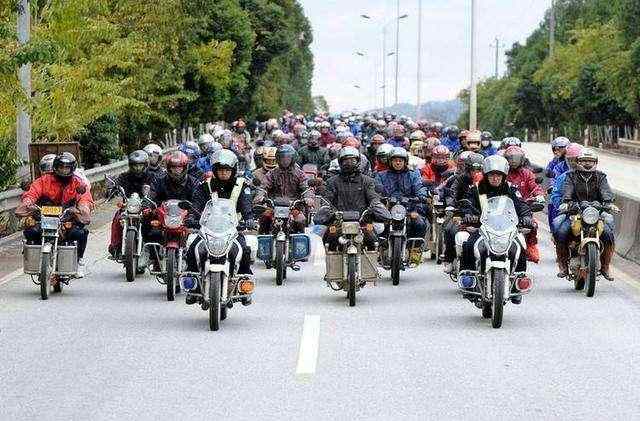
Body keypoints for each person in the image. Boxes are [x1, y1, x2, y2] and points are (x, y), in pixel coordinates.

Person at [184, 150, 255, 305]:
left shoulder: (241, 186)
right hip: (208, 230)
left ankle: (244, 285)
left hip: (233, 231)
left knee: (244, 249)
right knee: (192, 248)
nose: (223, 173)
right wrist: (191, 218)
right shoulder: (205, 186)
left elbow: (246, 206)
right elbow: (196, 205)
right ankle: (193, 287)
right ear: (215, 171)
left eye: (227, 170)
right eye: (220, 170)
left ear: (233, 170)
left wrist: (249, 219)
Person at [459, 156, 533, 303]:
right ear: (486, 175)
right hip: (483, 229)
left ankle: (517, 284)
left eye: (498, 175)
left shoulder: (511, 189)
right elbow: (467, 204)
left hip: (507, 229)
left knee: (520, 247)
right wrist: (468, 215)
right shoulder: (476, 190)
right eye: (492, 175)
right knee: (468, 246)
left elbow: (521, 205)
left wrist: (526, 217)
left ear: (503, 176)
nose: (495, 178)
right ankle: (468, 280)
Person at [16, 152, 93, 277]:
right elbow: (31, 193)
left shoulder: (77, 183)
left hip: (66, 218)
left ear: (72, 168)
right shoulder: (43, 180)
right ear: (56, 167)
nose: (64, 170)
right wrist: (28, 203)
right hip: (44, 218)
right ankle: (32, 258)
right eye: (61, 167)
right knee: (30, 231)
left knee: (80, 233)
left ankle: (79, 261)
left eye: (67, 167)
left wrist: (82, 209)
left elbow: (85, 198)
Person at [554, 148, 617, 280]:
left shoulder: (601, 176)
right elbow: (567, 192)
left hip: (596, 213)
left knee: (608, 234)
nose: (587, 164)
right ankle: (563, 265)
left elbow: (606, 192)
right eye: (584, 161)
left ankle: (605, 266)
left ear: (596, 162)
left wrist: (608, 203)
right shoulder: (571, 176)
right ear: (578, 162)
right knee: (560, 231)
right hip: (574, 212)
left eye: (590, 161)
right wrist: (566, 202)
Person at [317, 147, 388, 250]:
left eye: (352, 160)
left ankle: (372, 262)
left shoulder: (367, 181)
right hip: (338, 221)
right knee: (330, 238)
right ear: (340, 162)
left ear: (358, 161)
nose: (349, 163)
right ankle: (330, 262)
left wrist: (376, 205)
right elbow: (327, 200)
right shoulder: (332, 182)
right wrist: (328, 210)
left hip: (362, 220)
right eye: (345, 160)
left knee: (372, 238)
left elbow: (373, 197)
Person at [375, 147, 429, 238]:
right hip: (387, 209)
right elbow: (377, 190)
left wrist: (421, 196)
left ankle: (415, 248)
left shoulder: (413, 174)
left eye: (400, 160)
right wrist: (380, 199)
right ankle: (379, 247)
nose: (398, 163)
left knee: (419, 223)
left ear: (405, 162)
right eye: (395, 160)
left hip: (410, 208)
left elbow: (419, 187)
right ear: (390, 162)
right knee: (378, 226)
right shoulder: (381, 175)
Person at [256, 145, 311, 233]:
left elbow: (306, 188)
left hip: (293, 207)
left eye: (288, 158)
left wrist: (308, 197)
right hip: (274, 206)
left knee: (300, 220)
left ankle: (300, 244)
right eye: (282, 158)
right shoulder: (272, 173)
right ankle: (263, 242)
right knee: (264, 218)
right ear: (278, 158)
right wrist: (260, 195)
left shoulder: (299, 174)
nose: (285, 160)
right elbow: (263, 186)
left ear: (293, 158)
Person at [504, 146, 545, 263]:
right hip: (502, 207)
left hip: (523, 208)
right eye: (510, 159)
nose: (513, 161)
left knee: (533, 225)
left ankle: (531, 246)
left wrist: (539, 195)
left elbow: (535, 186)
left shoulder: (527, 173)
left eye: (516, 158)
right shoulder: (502, 172)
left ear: (522, 160)